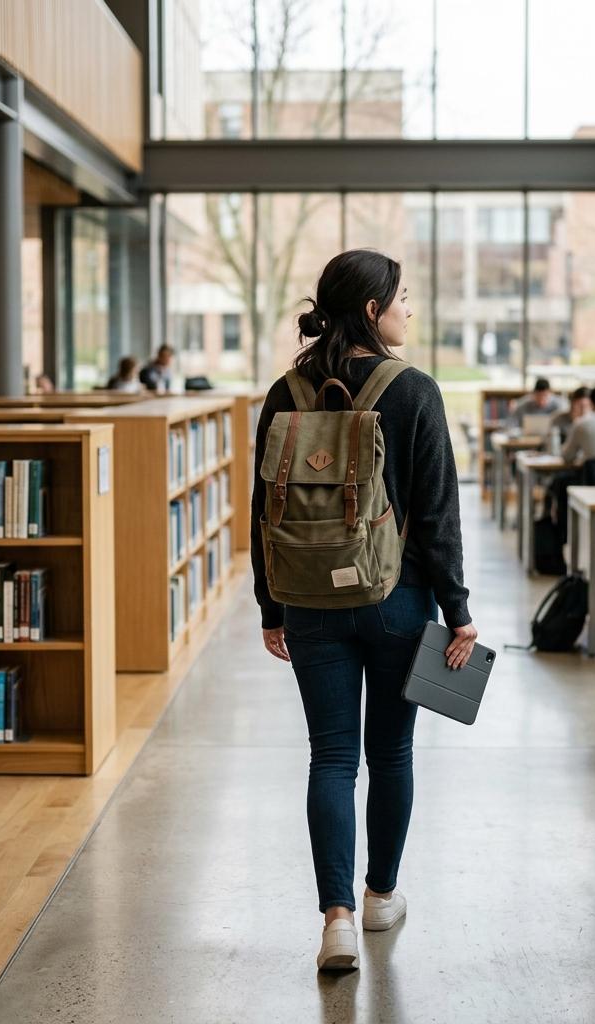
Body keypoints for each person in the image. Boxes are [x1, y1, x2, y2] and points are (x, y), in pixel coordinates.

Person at [250, 249, 476, 973]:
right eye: (402, 297)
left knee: (332, 757)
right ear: (373, 310)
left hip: (309, 602)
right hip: (396, 600)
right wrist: (458, 609)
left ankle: (337, 921)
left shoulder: (286, 392)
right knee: (392, 753)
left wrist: (270, 605)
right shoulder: (414, 390)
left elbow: (261, 510)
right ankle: (380, 896)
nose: (410, 309)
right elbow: (437, 515)